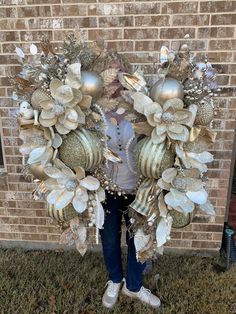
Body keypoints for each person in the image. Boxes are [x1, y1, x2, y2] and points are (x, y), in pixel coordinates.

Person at [99, 109, 161, 309]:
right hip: (107, 188)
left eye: (120, 76)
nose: (115, 81)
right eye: (111, 79)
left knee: (139, 238)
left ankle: (133, 285)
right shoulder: (94, 113)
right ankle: (115, 280)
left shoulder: (143, 111)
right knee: (109, 238)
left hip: (139, 189)